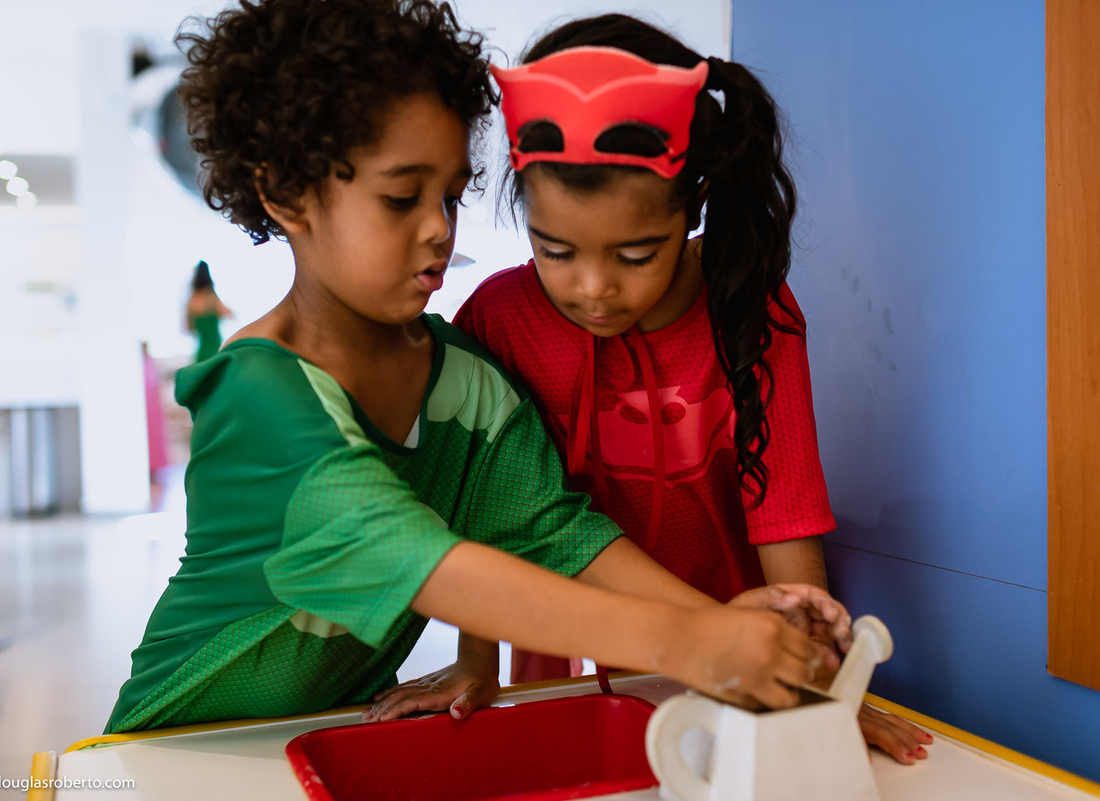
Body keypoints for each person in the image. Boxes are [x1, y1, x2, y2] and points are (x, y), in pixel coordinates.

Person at [106, 0, 852, 734]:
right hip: (178, 742)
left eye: (452, 195)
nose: (440, 228)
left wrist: (747, 638)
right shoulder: (258, 391)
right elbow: (422, 562)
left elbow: (558, 532)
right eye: (402, 198)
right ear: (285, 194)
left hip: (320, 728)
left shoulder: (459, 377)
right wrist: (693, 642)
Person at [445, 15, 933, 763]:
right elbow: (488, 507)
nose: (593, 287)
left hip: (737, 645)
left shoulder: (750, 311)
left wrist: (814, 682)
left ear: (694, 200)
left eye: (636, 254)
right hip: (571, 660)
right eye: (555, 249)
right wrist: (476, 660)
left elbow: (784, 510)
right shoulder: (499, 321)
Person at [186, 260, 232, 362]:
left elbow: (189, 328)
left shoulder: (191, 302)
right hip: (215, 348)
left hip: (201, 350)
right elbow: (230, 315)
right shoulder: (212, 298)